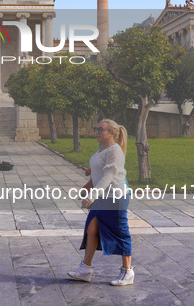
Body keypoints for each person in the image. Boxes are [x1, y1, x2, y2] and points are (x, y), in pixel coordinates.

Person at [68, 119, 134, 286]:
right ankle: (85, 269)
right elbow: (98, 172)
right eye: (96, 128)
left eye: (101, 129)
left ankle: (128, 272)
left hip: (115, 198)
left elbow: (108, 177)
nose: (97, 131)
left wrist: (91, 196)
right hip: (103, 197)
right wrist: (89, 184)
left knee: (120, 232)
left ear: (112, 132)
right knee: (91, 229)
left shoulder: (115, 151)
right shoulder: (102, 149)